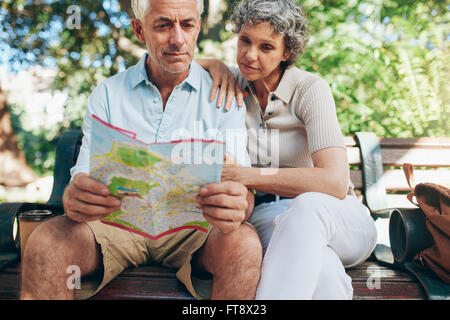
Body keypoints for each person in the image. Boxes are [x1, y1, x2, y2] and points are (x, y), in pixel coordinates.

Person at [20, 0, 263, 300]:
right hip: (115, 226)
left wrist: (240, 203)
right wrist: (75, 197)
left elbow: (243, 191)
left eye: (187, 25)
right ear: (139, 29)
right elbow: (80, 182)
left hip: (196, 230)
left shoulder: (224, 95)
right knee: (47, 242)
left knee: (245, 244)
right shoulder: (108, 93)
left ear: (198, 27)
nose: (177, 39)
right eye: (163, 26)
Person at [198, 0, 377, 299]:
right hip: (270, 217)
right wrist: (212, 64)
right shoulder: (229, 82)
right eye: (244, 41)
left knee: (307, 208)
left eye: (266, 47)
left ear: (287, 51)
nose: (250, 55)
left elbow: (333, 182)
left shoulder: (309, 89)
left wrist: (246, 175)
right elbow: (168, 60)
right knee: (325, 274)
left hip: (337, 216)